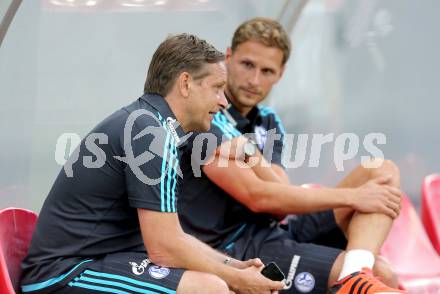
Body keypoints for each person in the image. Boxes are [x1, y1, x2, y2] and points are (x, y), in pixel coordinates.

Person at [20, 33, 285, 294]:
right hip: (62, 274)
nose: (223, 101)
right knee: (209, 287)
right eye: (217, 88)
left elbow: (174, 238)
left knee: (216, 281)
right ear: (185, 84)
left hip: (100, 260)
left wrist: (234, 267)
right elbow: (164, 247)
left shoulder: (155, 124)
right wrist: (236, 279)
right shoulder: (150, 134)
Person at [178, 18, 406, 293]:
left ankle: (355, 273)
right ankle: (356, 277)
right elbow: (262, 198)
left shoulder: (267, 120)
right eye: (247, 65)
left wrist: (250, 153)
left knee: (381, 170)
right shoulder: (207, 116)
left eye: (267, 71)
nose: (254, 80)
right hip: (240, 246)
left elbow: (280, 190)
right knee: (383, 274)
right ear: (228, 57)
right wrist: (353, 197)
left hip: (277, 229)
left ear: (281, 73)